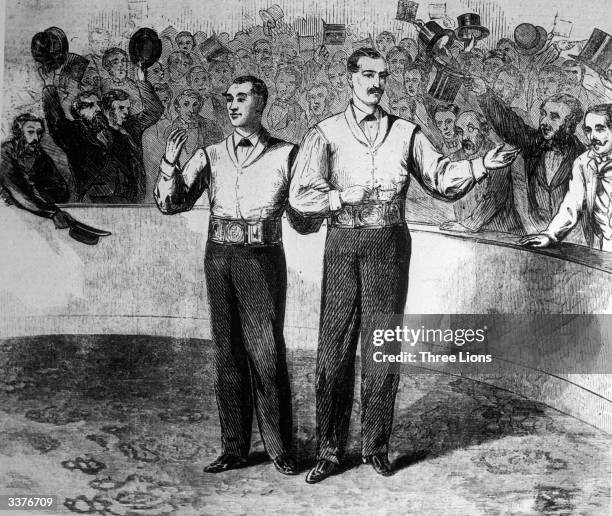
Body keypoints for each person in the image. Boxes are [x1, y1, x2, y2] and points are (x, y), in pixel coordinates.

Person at [289, 47, 519, 484]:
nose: (377, 83)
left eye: (383, 76)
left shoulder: (406, 132)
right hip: (343, 240)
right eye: (368, 75)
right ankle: (330, 450)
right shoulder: (325, 132)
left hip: (391, 241)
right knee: (334, 348)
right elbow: (300, 197)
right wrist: (339, 198)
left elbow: (441, 179)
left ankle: (376, 446)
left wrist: (481, 164)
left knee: (382, 344)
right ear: (350, 79)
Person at [154, 75, 319, 477]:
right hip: (219, 256)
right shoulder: (209, 154)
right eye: (228, 99)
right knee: (226, 354)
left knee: (265, 353)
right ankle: (234, 449)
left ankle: (280, 449)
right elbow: (169, 204)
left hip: (262, 258)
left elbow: (304, 221)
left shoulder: (288, 154)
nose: (231, 105)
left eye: (241, 98)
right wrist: (169, 164)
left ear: (260, 104)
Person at [472, 78, 586, 238]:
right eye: (543, 114)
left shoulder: (583, 157)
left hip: (571, 239)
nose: (544, 122)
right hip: (533, 233)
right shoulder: (535, 143)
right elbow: (510, 126)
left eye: (554, 117)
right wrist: (485, 94)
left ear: (569, 124)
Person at [42, 64, 163, 204]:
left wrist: (142, 81)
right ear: (79, 113)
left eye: (97, 104)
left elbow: (154, 111)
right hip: (94, 202)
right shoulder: (76, 132)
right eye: (90, 105)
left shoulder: (129, 127)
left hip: (130, 199)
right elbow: (56, 124)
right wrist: (49, 88)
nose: (97, 108)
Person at [520, 104, 612, 251]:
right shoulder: (583, 163)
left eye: (600, 129)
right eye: (588, 130)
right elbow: (571, 205)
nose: (592, 137)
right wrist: (549, 235)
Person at [441, 110, 523, 234]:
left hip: (500, 233)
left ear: (484, 131)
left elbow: (494, 197)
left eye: (471, 129)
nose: (465, 137)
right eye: (460, 131)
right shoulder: (454, 159)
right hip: (463, 231)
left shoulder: (496, 156)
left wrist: (469, 225)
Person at [0, 113, 71, 226]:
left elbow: (61, 191)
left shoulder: (39, 156)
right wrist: (52, 212)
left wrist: (36, 189)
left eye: (39, 133)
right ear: (18, 133)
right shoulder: (4, 153)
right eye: (30, 132)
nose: (36, 138)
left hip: (37, 212)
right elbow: (17, 193)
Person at [164, 89, 223, 160]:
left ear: (199, 107)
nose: (191, 110)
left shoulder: (212, 127)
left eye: (195, 105)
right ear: (178, 107)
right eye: (186, 104)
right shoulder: (169, 132)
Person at [266, 65, 307, 143]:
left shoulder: (299, 112)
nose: (285, 87)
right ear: (276, 83)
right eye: (281, 82)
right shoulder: (268, 105)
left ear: (296, 87)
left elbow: (299, 138)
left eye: (290, 84)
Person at [100, 48, 143, 113]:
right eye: (115, 62)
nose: (121, 65)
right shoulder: (103, 84)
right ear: (107, 67)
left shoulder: (132, 86)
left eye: (123, 61)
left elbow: (138, 108)